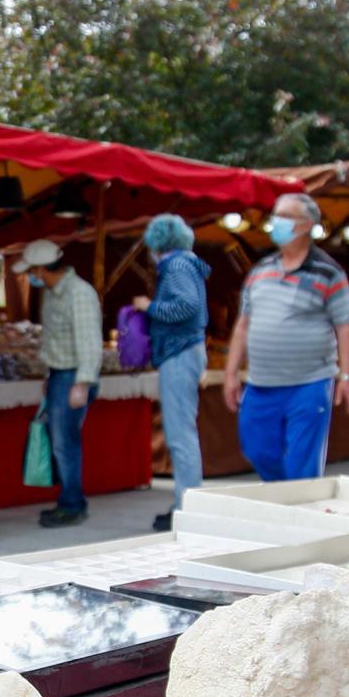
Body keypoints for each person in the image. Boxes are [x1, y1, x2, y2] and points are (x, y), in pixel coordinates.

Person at [222, 192, 349, 481]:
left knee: (302, 462)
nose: (276, 223)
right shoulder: (260, 271)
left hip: (309, 383)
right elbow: (243, 325)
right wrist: (231, 373)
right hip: (261, 384)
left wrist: (347, 378)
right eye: (276, 216)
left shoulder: (329, 272)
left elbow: (346, 327)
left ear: (306, 225)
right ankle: (285, 495)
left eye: (285, 216)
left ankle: (300, 510)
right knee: (256, 448)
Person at [14, 238, 103, 528]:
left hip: (74, 374)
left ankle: (73, 503)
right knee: (59, 442)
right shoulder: (53, 293)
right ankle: (68, 499)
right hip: (58, 373)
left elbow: (89, 341)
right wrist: (48, 375)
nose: (31, 277)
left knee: (66, 443)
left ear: (41, 270)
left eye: (32, 271)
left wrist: (83, 382)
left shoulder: (79, 294)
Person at [133, 213, 208, 530]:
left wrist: (149, 307)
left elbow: (186, 305)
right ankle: (187, 502)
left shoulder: (176, 266)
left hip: (178, 353)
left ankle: (187, 506)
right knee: (182, 433)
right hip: (185, 352)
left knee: (180, 435)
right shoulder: (188, 264)